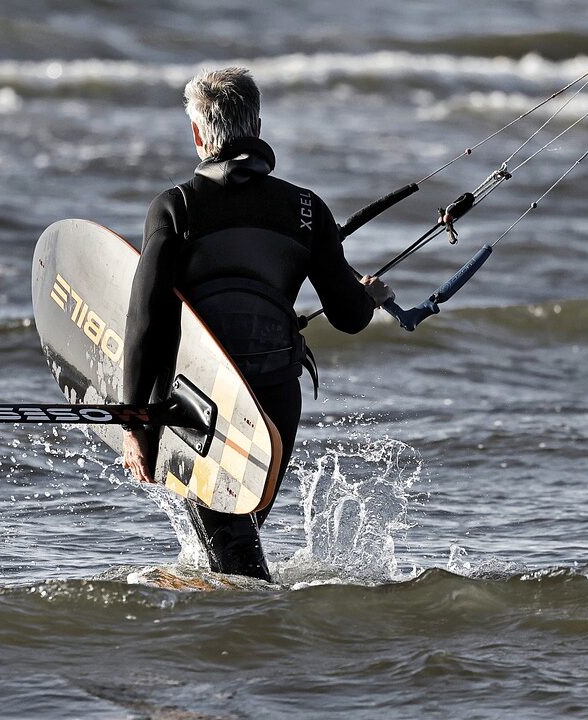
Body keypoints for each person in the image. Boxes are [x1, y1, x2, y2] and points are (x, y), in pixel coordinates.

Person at [120, 67, 392, 580]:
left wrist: (134, 422)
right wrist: (368, 295)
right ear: (259, 126)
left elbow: (145, 320)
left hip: (199, 403)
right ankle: (254, 640)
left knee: (235, 563)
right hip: (273, 406)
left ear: (199, 135)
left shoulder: (175, 208)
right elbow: (349, 317)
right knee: (233, 544)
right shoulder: (308, 209)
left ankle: (254, 643)